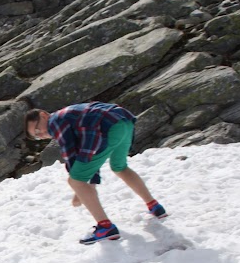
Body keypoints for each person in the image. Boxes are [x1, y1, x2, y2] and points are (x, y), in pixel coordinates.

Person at [24, 101, 168, 244]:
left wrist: (78, 185)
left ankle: (106, 227)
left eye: (38, 129)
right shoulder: (68, 117)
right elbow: (88, 153)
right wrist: (86, 182)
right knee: (119, 167)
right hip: (123, 121)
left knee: (74, 180)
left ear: (43, 115)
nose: (41, 134)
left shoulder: (55, 121)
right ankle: (155, 206)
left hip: (108, 127)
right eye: (37, 136)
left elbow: (71, 153)